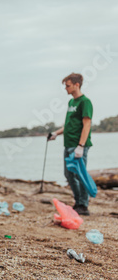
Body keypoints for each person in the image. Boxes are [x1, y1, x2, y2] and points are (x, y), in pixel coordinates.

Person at [48, 73, 93, 216]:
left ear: (76, 85)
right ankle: (78, 202)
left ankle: (83, 206)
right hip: (68, 144)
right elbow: (69, 125)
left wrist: (81, 145)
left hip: (78, 146)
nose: (65, 89)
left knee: (80, 175)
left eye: (67, 85)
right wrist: (56, 133)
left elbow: (86, 125)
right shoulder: (71, 103)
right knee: (68, 174)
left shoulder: (85, 102)